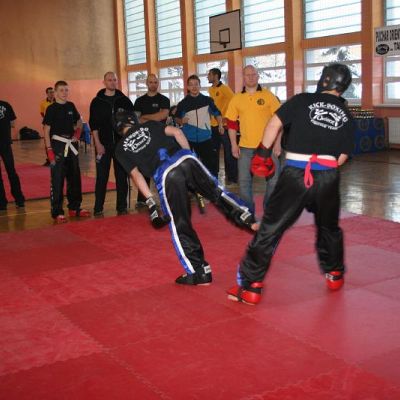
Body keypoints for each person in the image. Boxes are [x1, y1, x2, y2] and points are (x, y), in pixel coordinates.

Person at [227, 63, 355, 305]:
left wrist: (263, 154)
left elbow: (274, 124)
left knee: (271, 227)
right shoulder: (347, 114)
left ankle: (251, 286)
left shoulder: (303, 100)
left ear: (324, 80)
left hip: (296, 173)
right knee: (329, 227)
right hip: (328, 176)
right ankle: (335, 274)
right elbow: (341, 158)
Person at [114, 109, 257, 285]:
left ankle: (200, 272)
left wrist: (151, 201)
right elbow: (177, 132)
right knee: (216, 191)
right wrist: (188, 155)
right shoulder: (149, 125)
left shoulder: (120, 149)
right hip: (186, 159)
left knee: (179, 222)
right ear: (133, 120)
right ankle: (246, 217)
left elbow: (136, 175)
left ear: (119, 129)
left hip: (166, 174)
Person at [225, 65, 281, 214]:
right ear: (243, 78)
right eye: (247, 75)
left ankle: (269, 210)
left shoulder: (268, 96)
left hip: (268, 147)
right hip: (245, 147)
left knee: (274, 180)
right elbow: (231, 124)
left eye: (253, 74)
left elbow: (279, 121)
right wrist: (233, 145)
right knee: (244, 183)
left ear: (258, 76)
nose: (250, 77)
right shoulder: (237, 98)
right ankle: (249, 214)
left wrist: (278, 143)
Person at [43, 80, 90, 223]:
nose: (64, 93)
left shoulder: (71, 106)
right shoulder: (51, 109)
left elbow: (79, 121)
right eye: (61, 90)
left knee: (74, 177)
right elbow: (46, 130)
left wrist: (77, 133)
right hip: (57, 146)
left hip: (71, 145)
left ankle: (74, 207)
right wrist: (49, 150)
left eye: (66, 90)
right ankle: (57, 211)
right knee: (57, 179)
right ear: (55, 92)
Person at [89, 71, 134, 216]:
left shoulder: (124, 101)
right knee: (102, 177)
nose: (112, 82)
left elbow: (131, 123)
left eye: (114, 80)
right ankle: (98, 207)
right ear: (104, 82)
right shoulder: (97, 102)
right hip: (103, 145)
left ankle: (122, 207)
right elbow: (93, 125)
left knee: (121, 177)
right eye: (109, 80)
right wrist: (98, 144)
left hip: (121, 145)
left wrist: (128, 143)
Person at [133, 73, 170, 208]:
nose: (153, 84)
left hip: (160, 139)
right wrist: (153, 116)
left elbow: (162, 116)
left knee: (161, 169)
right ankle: (142, 199)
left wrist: (145, 117)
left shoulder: (164, 99)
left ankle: (165, 197)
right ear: (146, 83)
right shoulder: (139, 101)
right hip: (144, 139)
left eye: (155, 82)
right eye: (151, 82)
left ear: (158, 83)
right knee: (144, 168)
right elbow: (137, 120)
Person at [175, 74, 223, 178]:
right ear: (188, 87)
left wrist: (220, 125)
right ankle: (192, 186)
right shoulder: (183, 103)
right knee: (190, 167)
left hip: (205, 139)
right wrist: (181, 121)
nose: (194, 87)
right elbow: (176, 118)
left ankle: (212, 185)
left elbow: (217, 113)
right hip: (189, 140)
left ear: (200, 86)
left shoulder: (207, 100)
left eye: (196, 84)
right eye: (191, 85)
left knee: (211, 167)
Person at [207, 68, 237, 185]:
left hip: (224, 125)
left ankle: (232, 177)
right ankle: (214, 175)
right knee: (213, 152)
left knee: (228, 152)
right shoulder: (210, 89)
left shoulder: (225, 88)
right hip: (213, 125)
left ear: (215, 76)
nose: (208, 77)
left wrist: (227, 117)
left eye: (209, 75)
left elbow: (235, 102)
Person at [0, 100, 25, 210]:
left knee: (11, 172)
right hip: (5, 143)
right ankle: (19, 200)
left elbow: (12, 123)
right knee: (11, 171)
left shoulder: (6, 105)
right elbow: (12, 124)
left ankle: (2, 203)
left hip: (5, 143)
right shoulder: (6, 105)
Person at [40, 87, 55, 166]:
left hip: (57, 126)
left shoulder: (58, 101)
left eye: (52, 92)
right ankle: (49, 159)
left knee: (56, 142)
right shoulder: (43, 103)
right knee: (47, 142)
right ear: (47, 93)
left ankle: (57, 159)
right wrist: (47, 120)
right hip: (48, 125)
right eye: (50, 92)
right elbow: (42, 113)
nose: (52, 94)